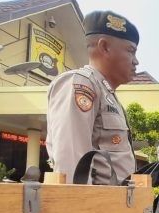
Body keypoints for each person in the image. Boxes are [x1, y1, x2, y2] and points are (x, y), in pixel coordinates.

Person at [46, 11, 139, 184]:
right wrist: (82, 208)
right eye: (131, 51)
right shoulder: (80, 83)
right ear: (104, 47)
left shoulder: (106, 93)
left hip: (114, 203)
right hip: (94, 205)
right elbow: (71, 162)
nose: (136, 61)